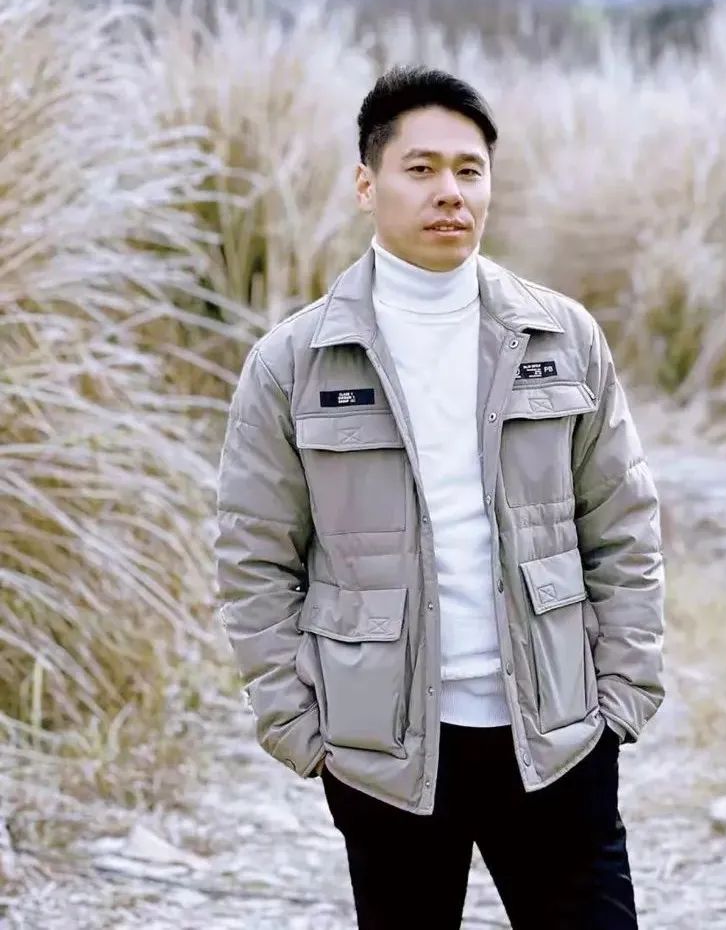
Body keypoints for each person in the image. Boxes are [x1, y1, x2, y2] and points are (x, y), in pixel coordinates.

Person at [215, 65, 665, 929]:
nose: (449, 192)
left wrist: (623, 695)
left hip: (557, 735)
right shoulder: (294, 362)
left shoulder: (561, 336)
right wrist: (295, 725)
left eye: (469, 170)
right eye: (420, 169)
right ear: (366, 184)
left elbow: (624, 525)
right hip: (383, 752)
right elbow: (254, 557)